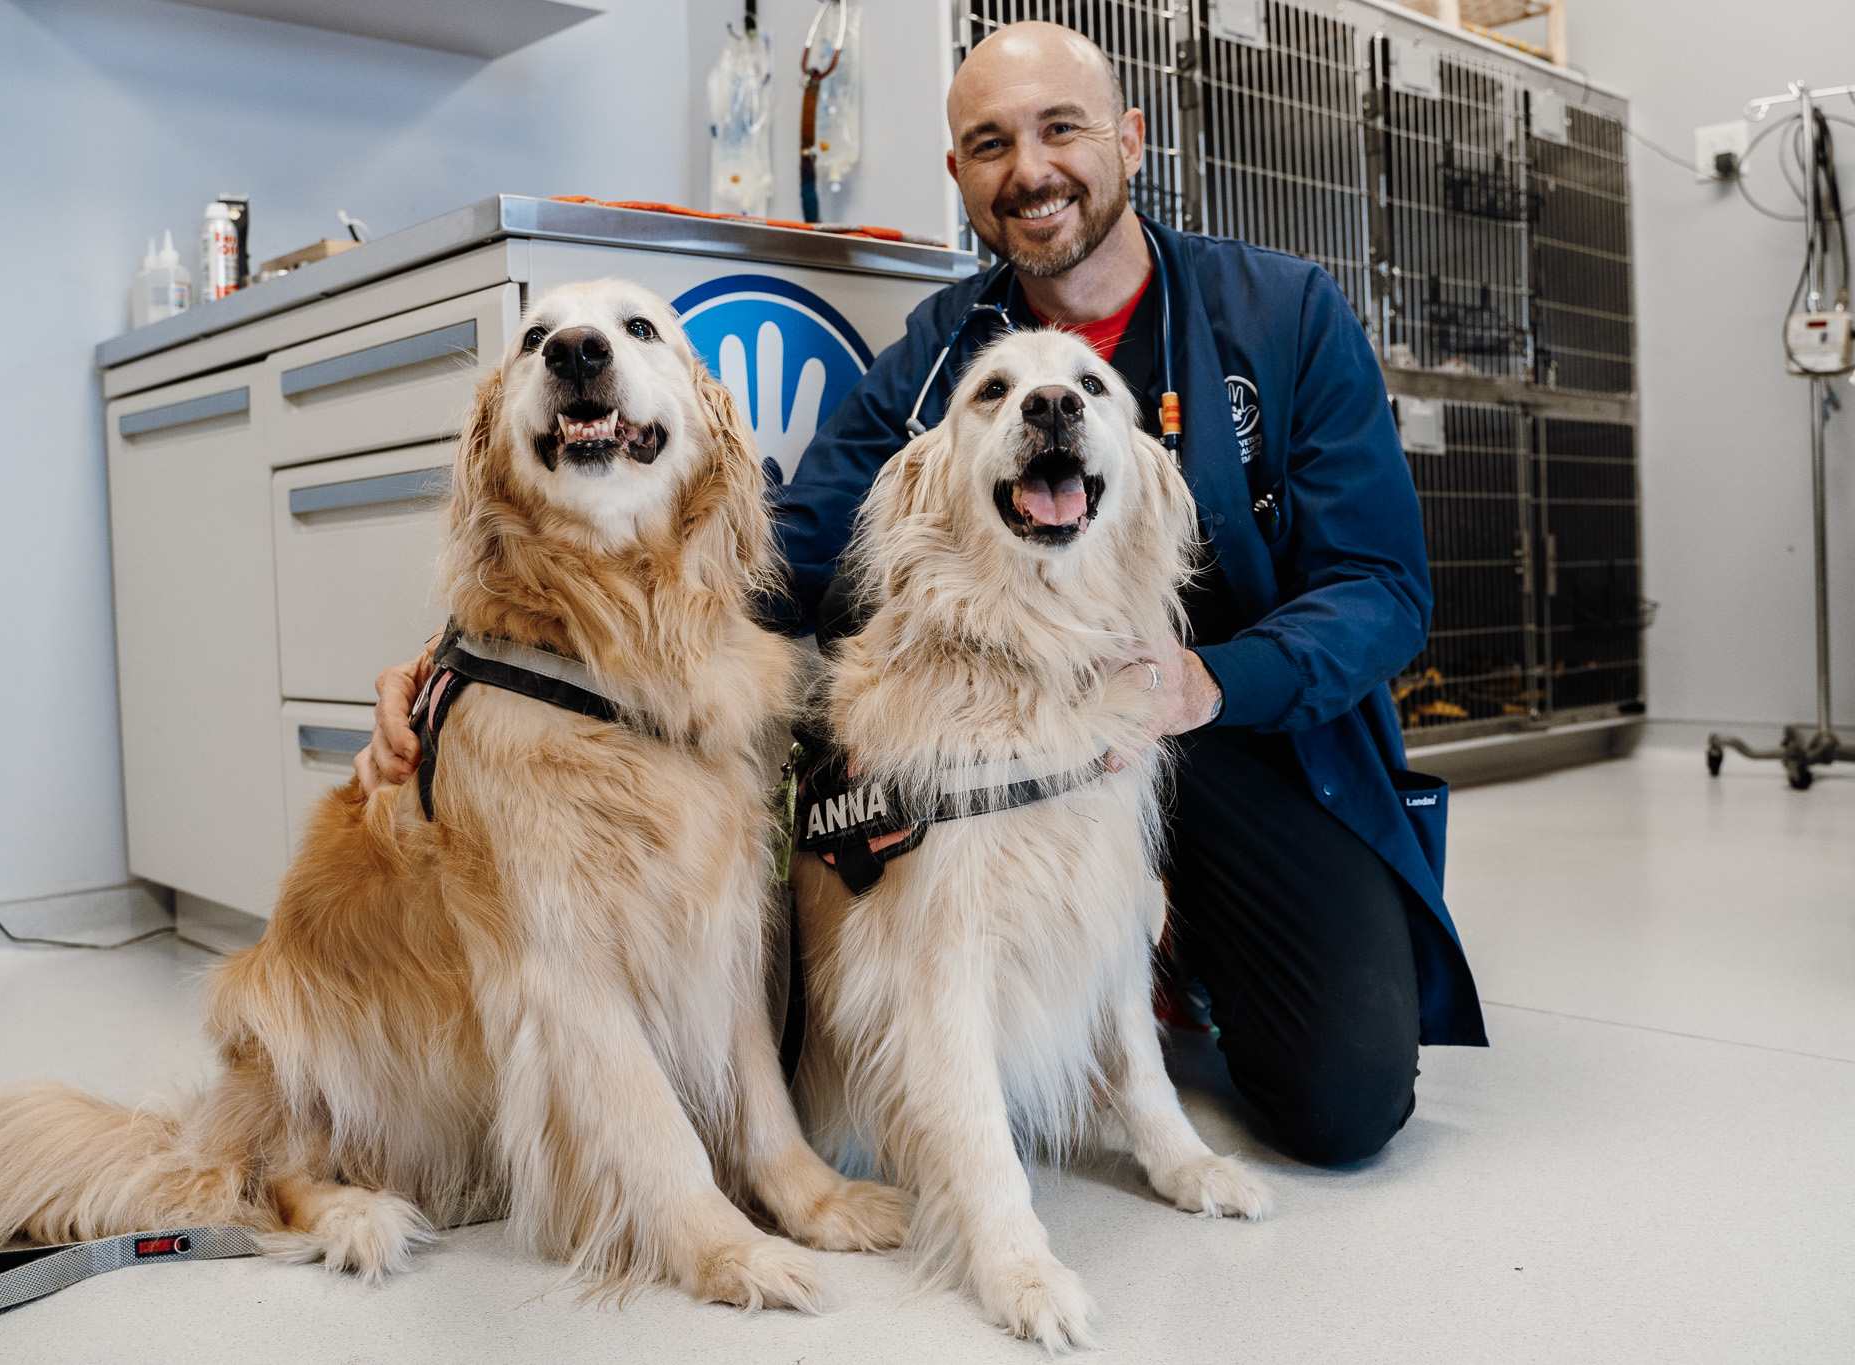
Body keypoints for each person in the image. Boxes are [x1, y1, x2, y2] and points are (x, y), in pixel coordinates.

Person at [359, 21, 1484, 1166]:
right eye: (989, 145)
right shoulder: (943, 351)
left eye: (1060, 130)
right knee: (807, 823)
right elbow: (787, 549)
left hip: (1235, 731)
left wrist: (1207, 680)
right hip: (1014, 729)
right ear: (959, 179)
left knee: (1341, 1103)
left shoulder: (1284, 314)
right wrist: (484, 660)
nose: (1030, 171)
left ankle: (1159, 962)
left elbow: (1379, 588)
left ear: (1129, 140)